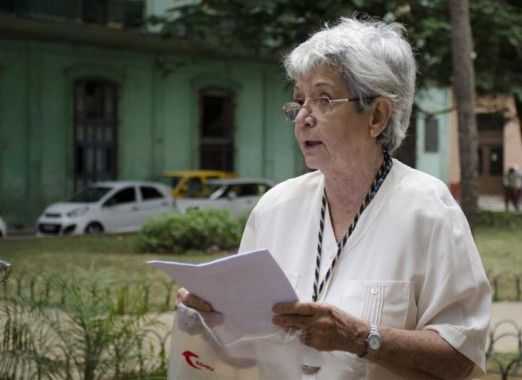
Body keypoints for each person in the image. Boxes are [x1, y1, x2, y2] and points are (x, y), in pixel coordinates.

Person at [177, 16, 491, 379]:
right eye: (299, 101)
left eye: (323, 99)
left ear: (376, 116)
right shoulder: (275, 207)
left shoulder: (428, 210)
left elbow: (460, 357)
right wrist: (208, 317)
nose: (302, 118)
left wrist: (361, 337)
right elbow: (246, 353)